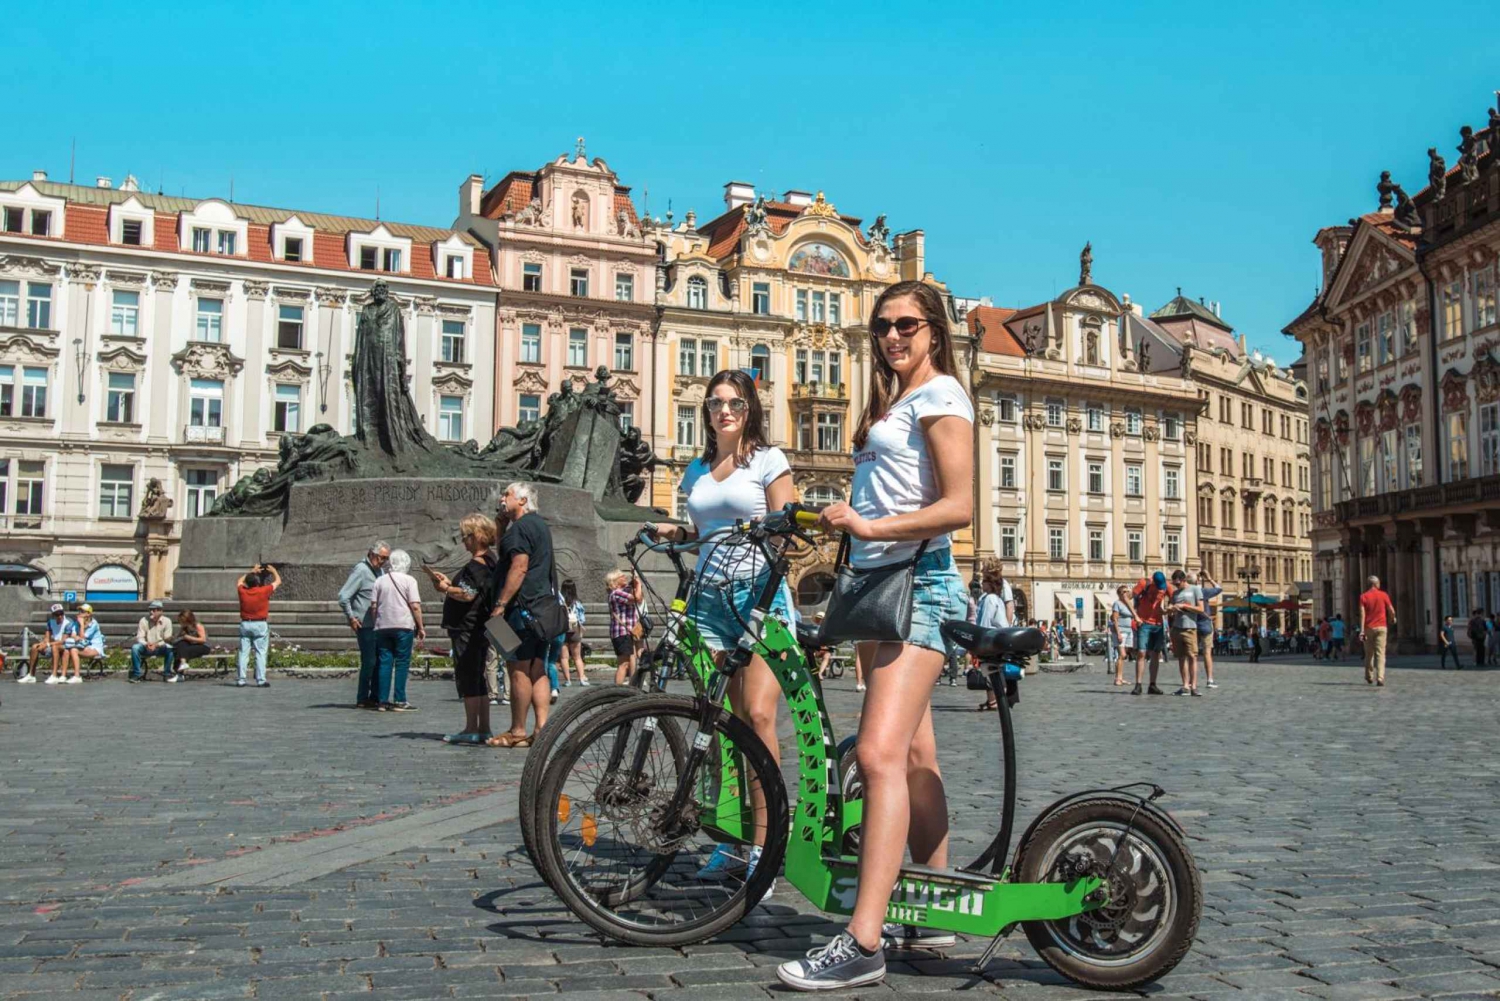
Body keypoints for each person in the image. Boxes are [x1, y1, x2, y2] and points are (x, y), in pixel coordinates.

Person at [779, 280, 973, 991]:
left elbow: (959, 505)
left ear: (934, 331)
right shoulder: (894, 401)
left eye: (907, 324)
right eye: (883, 325)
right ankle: (936, 909)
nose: (893, 335)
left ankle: (863, 939)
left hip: (916, 583)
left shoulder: (941, 395)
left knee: (877, 753)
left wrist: (870, 525)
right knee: (916, 754)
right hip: (876, 586)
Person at [646, 367, 797, 883]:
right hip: (708, 601)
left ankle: (766, 847)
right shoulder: (697, 469)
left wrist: (766, 551)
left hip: (757, 596)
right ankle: (733, 840)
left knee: (757, 716)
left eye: (734, 402)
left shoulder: (769, 460)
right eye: (715, 403)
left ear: (750, 408)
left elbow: (786, 527)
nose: (724, 411)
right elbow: (702, 532)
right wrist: (675, 533)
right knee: (722, 726)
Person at [487, 482, 560, 748]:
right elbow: (507, 554)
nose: (502, 498)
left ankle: (517, 730)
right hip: (543, 608)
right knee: (538, 666)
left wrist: (501, 604)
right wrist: (500, 527)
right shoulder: (539, 525)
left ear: (522, 500)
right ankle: (541, 728)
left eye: (506, 494)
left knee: (517, 668)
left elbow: (518, 567)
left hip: (519, 608)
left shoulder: (519, 529)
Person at [429, 513, 499, 744]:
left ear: (477, 536)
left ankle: (471, 728)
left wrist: (445, 589)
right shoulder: (491, 561)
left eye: (466, 536)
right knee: (479, 678)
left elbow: (468, 594)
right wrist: (451, 583)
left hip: (467, 628)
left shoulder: (475, 565)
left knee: (468, 677)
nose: (463, 541)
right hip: (481, 626)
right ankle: (484, 728)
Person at [369, 549, 424, 711]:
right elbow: (415, 606)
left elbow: (373, 606)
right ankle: (400, 700)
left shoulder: (380, 581)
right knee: (402, 662)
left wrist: (377, 622)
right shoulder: (410, 580)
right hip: (403, 626)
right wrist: (421, 627)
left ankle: (382, 701)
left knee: (385, 662)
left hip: (383, 626)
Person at [338, 541, 390, 709]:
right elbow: (343, 596)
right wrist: (351, 617)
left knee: (379, 661)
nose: (384, 561)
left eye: (387, 559)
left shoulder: (380, 571)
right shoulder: (361, 570)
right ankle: (362, 697)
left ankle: (375, 696)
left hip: (379, 623)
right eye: (382, 558)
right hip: (365, 624)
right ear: (372, 554)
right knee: (369, 661)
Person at [974, 559, 1014, 710]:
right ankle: (995, 699)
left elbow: (985, 623)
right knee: (991, 668)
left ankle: (996, 699)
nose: (981, 583)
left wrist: (977, 641)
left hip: (992, 637)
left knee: (990, 668)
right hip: (997, 636)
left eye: (984, 580)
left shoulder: (991, 598)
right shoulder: (989, 597)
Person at [236, 563, 280, 688]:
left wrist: (252, 571)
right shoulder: (263, 591)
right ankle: (261, 680)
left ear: (247, 583)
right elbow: (278, 581)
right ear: (258, 582)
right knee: (260, 653)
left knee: (243, 653)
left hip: (246, 623)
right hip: (260, 623)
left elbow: (239, 581)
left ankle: (241, 679)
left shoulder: (242, 591)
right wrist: (274, 571)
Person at [1130, 573, 1169, 696]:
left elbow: (1175, 598)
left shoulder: (1166, 586)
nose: (1160, 589)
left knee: (1156, 654)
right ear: (1154, 583)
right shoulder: (1144, 583)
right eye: (1159, 587)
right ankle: (1138, 685)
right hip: (1144, 623)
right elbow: (1127, 597)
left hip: (1158, 625)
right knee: (1141, 652)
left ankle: (1152, 684)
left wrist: (1168, 609)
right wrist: (1135, 616)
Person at [1167, 570, 1203, 696]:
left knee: (1192, 656)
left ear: (1184, 580)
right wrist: (1170, 609)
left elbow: (1201, 609)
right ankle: (1185, 686)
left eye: (1178, 583)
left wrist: (1184, 606)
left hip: (1190, 628)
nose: (1176, 586)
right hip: (1177, 628)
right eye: (1174, 584)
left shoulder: (1195, 589)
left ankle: (1194, 686)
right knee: (1181, 657)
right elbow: (1171, 608)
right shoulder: (1175, 593)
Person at [606, 569, 643, 686]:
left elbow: (639, 598)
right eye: (622, 576)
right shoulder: (616, 593)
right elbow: (637, 598)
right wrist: (639, 584)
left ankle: (623, 688)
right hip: (621, 632)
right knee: (624, 664)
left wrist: (635, 577)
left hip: (626, 632)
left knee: (626, 663)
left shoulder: (620, 592)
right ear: (615, 581)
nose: (625, 577)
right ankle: (617, 689)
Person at [1358, 576, 1396, 687]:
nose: (1380, 584)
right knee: (1380, 653)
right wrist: (1392, 618)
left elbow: (1362, 614)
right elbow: (1391, 610)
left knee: (1369, 653)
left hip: (1368, 628)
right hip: (1382, 627)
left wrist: (1362, 630)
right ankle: (1380, 677)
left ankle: (1369, 676)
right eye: (1379, 583)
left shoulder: (1363, 596)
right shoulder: (1384, 595)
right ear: (1375, 584)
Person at [23, 604, 73, 683]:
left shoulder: (68, 622)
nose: (60, 616)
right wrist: (43, 644)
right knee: (35, 647)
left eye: (61, 613)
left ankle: (54, 675)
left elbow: (63, 641)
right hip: (53, 644)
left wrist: (48, 644)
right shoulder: (50, 622)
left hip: (65, 645)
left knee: (55, 647)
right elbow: (47, 637)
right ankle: (31, 675)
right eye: (57, 614)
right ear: (53, 615)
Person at [129, 600, 175, 683]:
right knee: (135, 648)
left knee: (170, 648)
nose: (151, 612)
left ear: (160, 611)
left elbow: (167, 639)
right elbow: (140, 637)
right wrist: (146, 644)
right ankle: (136, 674)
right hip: (146, 647)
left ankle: (167, 673)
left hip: (160, 647)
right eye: (150, 609)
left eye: (154, 610)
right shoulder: (143, 620)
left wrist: (156, 645)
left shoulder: (167, 621)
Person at [62, 604, 104, 683]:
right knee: (66, 650)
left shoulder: (94, 624)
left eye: (82, 611)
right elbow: (73, 635)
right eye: (79, 611)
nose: (80, 613)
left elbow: (82, 637)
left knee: (74, 650)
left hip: (94, 647)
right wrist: (77, 636)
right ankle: (63, 675)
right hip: (82, 646)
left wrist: (81, 625)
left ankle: (77, 676)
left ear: (88, 614)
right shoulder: (76, 623)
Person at [557, 579, 588, 687]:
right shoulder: (577, 603)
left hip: (562, 630)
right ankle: (582, 679)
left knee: (564, 658)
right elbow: (582, 619)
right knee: (577, 657)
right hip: (575, 631)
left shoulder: (559, 602)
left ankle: (568, 681)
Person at [1197, 571, 1222, 689]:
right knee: (1207, 653)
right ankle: (1209, 680)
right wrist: (1209, 578)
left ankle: (1190, 681)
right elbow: (1218, 589)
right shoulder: (1202, 591)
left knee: (1192, 654)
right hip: (1205, 625)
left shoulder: (1186, 592)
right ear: (1198, 580)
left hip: (1191, 625)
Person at [171, 609, 210, 681]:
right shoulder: (184, 628)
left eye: (182, 621)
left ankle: (179, 674)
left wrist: (189, 638)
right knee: (181, 644)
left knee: (183, 650)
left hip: (203, 646)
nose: (181, 623)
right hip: (191, 645)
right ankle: (183, 664)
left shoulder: (198, 626)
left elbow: (203, 640)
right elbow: (178, 638)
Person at [1109, 584, 1135, 687]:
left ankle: (1120, 677)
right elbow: (1115, 619)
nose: (1126, 593)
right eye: (1124, 591)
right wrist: (1118, 633)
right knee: (1122, 655)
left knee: (1124, 656)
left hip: (1129, 631)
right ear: (1119, 594)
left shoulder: (1129, 604)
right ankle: (1117, 679)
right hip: (1121, 631)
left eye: (1127, 591)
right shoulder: (1117, 604)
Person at [1467, 608, 1488, 672]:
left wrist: (1472, 636)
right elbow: (1485, 629)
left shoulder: (1472, 621)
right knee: (1481, 650)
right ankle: (1481, 662)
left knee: (1476, 649)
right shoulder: (1482, 621)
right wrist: (1484, 635)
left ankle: (1477, 661)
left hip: (1475, 637)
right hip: (1481, 637)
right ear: (1481, 613)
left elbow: (1470, 629)